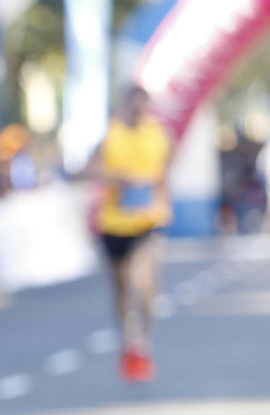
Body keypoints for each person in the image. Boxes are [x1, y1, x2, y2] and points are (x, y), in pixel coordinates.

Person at [91, 85, 172, 383]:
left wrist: (164, 200)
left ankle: (143, 337)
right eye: (133, 106)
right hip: (113, 222)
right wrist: (115, 178)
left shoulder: (158, 136)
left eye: (143, 106)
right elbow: (87, 169)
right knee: (122, 287)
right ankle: (129, 337)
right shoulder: (110, 136)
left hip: (146, 220)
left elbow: (165, 172)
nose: (138, 112)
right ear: (126, 105)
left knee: (144, 281)